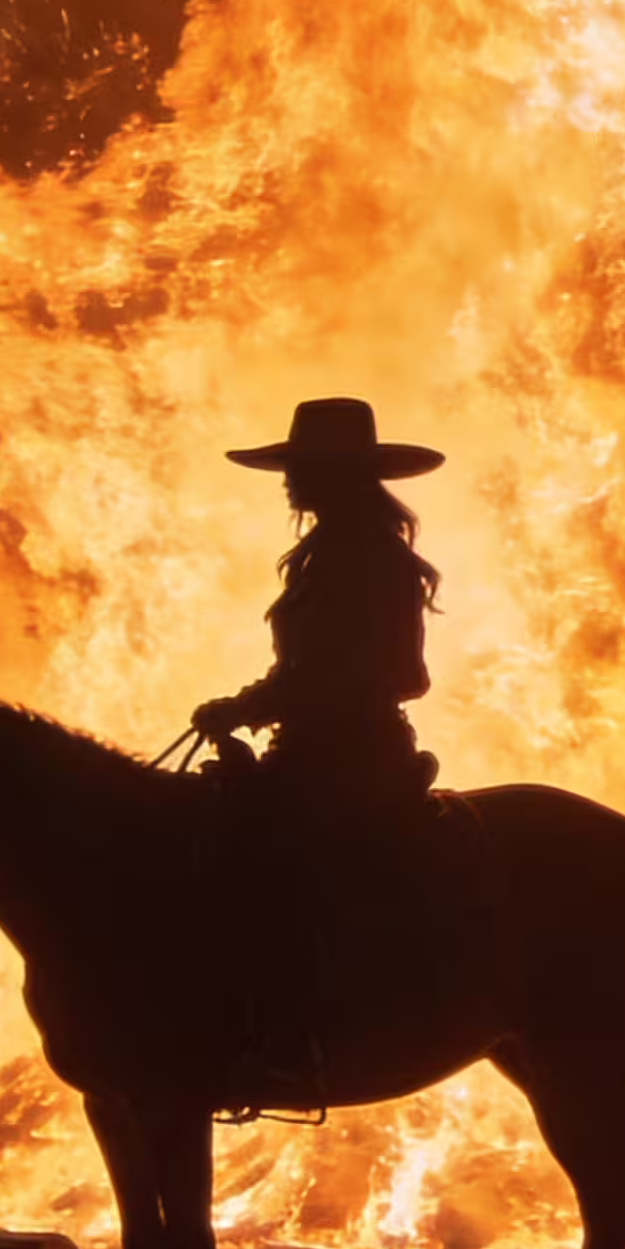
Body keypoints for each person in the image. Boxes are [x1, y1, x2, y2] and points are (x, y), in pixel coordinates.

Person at [188, 397, 446, 1104]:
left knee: (269, 863)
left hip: (352, 759)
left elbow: (365, 672)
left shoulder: (366, 560)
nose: (290, 482)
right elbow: (304, 669)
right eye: (293, 469)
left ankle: (291, 1040)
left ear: (338, 477)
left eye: (303, 470)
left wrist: (253, 707)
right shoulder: (325, 555)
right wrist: (250, 702)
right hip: (307, 751)